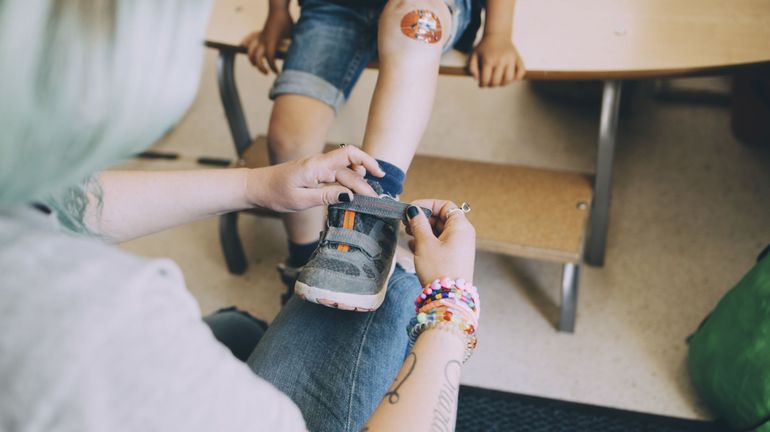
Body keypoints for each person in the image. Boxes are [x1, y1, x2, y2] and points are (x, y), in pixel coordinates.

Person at [0, 1, 480, 431]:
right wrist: (451, 307)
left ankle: (275, 304)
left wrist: (254, 186)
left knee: (238, 329)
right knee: (396, 284)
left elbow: (56, 206)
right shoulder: (102, 324)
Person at [241, 0, 523, 310]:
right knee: (288, 140)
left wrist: (498, 32)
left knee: (413, 14)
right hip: (334, 8)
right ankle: (303, 256)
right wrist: (278, 12)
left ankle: (371, 214)